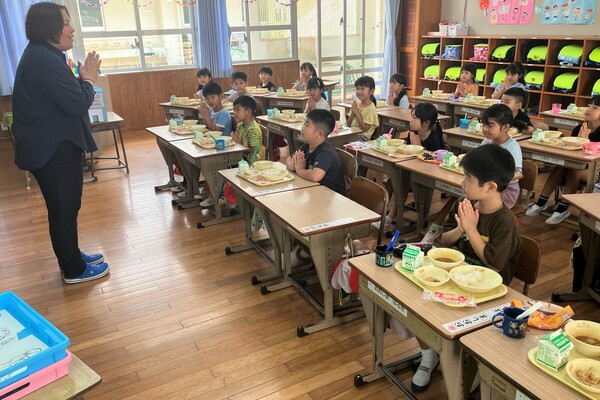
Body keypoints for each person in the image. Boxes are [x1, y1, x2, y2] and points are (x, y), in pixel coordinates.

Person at [365, 144, 522, 393]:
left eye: (468, 179)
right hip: (454, 278)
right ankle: (429, 355)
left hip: (487, 294)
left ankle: (470, 368)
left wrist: (471, 230)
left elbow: (494, 264)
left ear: (491, 187)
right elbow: (445, 240)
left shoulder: (505, 221)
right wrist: (461, 229)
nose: (462, 183)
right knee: (413, 303)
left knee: (436, 317)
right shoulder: (465, 203)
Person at [12, 2, 109, 284]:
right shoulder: (43, 59)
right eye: (66, 23)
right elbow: (77, 103)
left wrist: (81, 79)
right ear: (49, 27)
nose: (72, 29)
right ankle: (74, 270)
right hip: (52, 149)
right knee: (64, 209)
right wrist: (88, 80)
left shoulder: (45, 55)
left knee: (65, 208)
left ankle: (72, 256)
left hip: (54, 145)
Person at [421, 104, 522, 243]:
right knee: (459, 199)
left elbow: (515, 173)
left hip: (505, 190)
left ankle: (470, 233)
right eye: (483, 124)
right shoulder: (487, 142)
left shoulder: (512, 146)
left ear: (505, 127)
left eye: (490, 125)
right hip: (483, 183)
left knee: (465, 201)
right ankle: (438, 228)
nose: (485, 129)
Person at [526, 95, 600, 224]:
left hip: (595, 171)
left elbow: (593, 157)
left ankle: (562, 209)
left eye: (595, 107)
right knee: (561, 166)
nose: (588, 109)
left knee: (574, 170)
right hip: (578, 165)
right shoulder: (578, 128)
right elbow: (570, 151)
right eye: (589, 106)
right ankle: (541, 202)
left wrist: (584, 141)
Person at [380, 102, 445, 231]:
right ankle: (382, 214)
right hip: (411, 171)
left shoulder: (434, 139)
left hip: (426, 176)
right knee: (393, 180)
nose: (411, 120)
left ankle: (390, 217)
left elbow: (435, 163)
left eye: (415, 118)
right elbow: (409, 154)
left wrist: (420, 147)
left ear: (426, 123)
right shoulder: (413, 133)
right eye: (412, 116)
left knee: (400, 182)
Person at [286, 109, 345, 195]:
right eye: (303, 123)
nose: (302, 127)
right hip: (314, 190)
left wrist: (299, 170)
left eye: (307, 125)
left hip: (331, 195)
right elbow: (289, 159)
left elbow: (315, 176)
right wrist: (292, 165)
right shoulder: (307, 145)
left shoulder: (325, 152)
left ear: (319, 134)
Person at [346, 76, 379, 140]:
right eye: (357, 88)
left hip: (363, 138)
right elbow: (348, 125)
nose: (358, 91)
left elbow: (364, 129)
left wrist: (357, 113)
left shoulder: (371, 109)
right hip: (352, 134)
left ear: (371, 91)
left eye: (362, 89)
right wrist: (353, 112)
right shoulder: (357, 104)